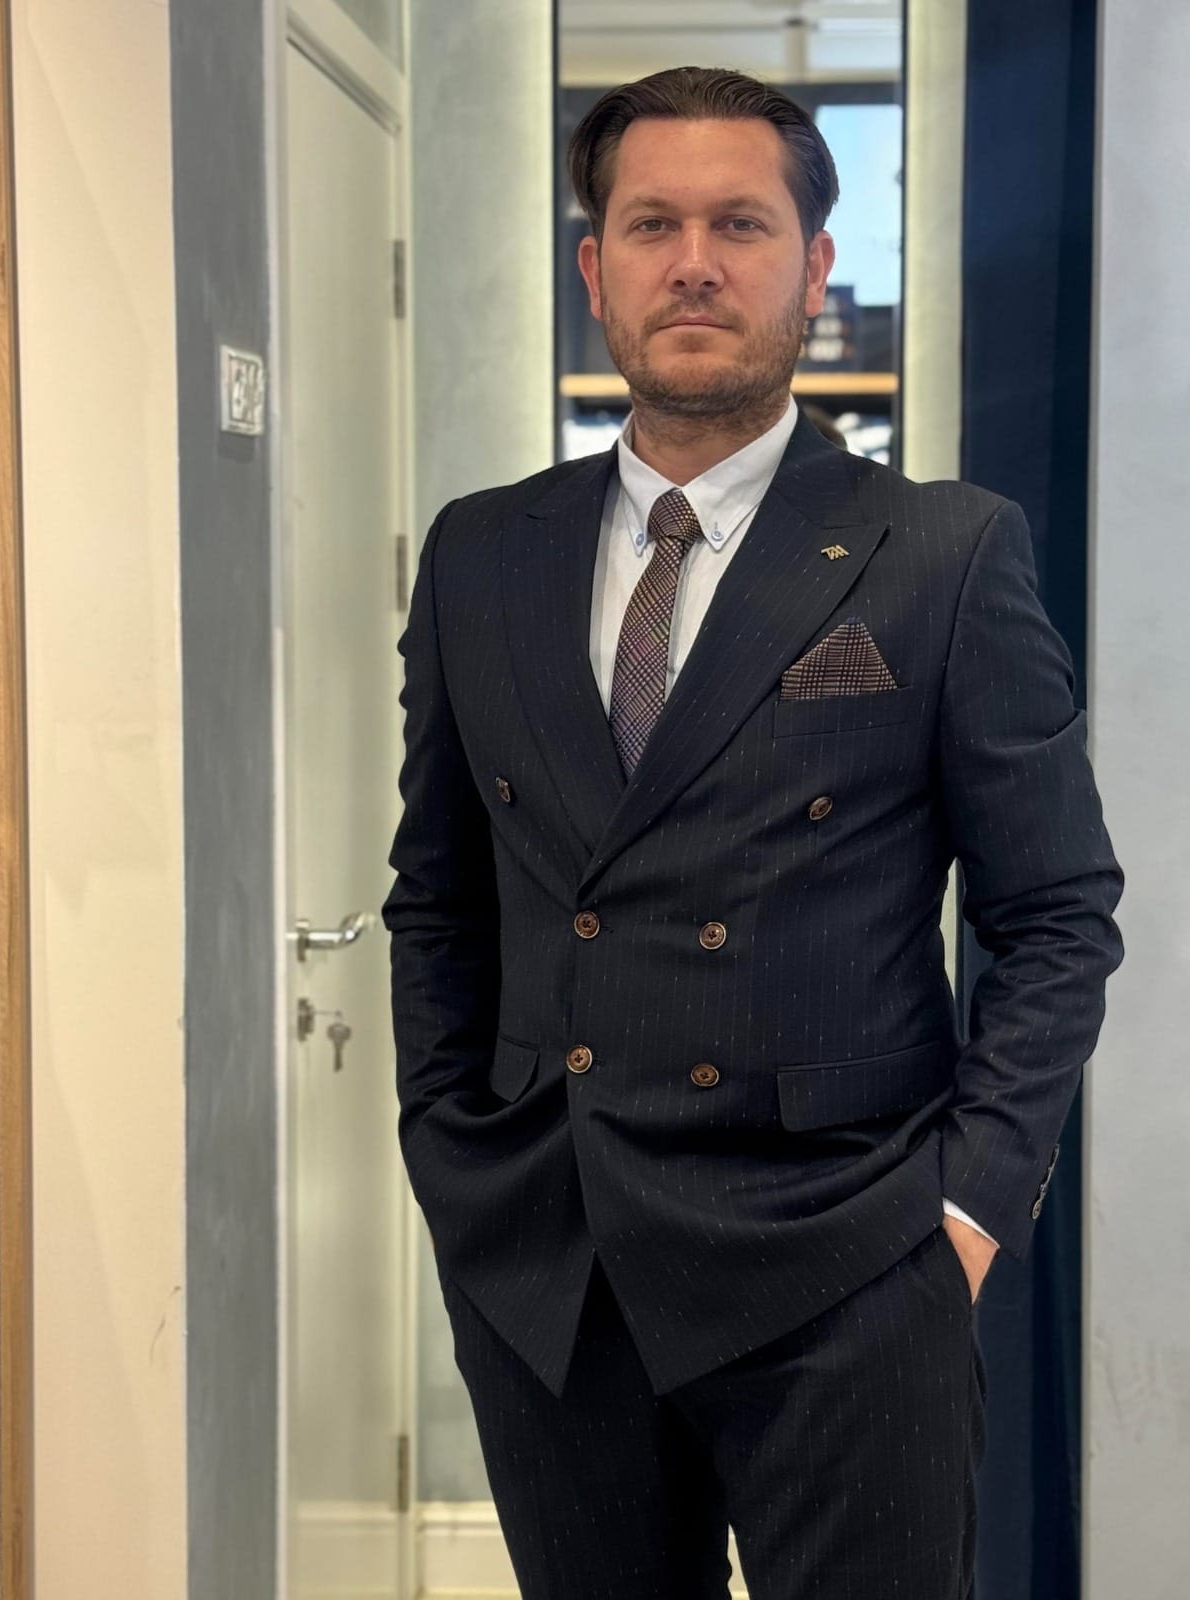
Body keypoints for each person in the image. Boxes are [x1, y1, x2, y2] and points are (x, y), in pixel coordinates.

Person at [383, 64, 1123, 1600]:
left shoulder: (938, 552)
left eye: (740, 224)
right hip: (553, 1264)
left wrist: (969, 1210)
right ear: (595, 268)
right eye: (651, 224)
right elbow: (436, 897)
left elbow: (1056, 912)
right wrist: (452, 1154)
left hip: (850, 1262)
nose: (694, 263)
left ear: (814, 266)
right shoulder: (480, 554)